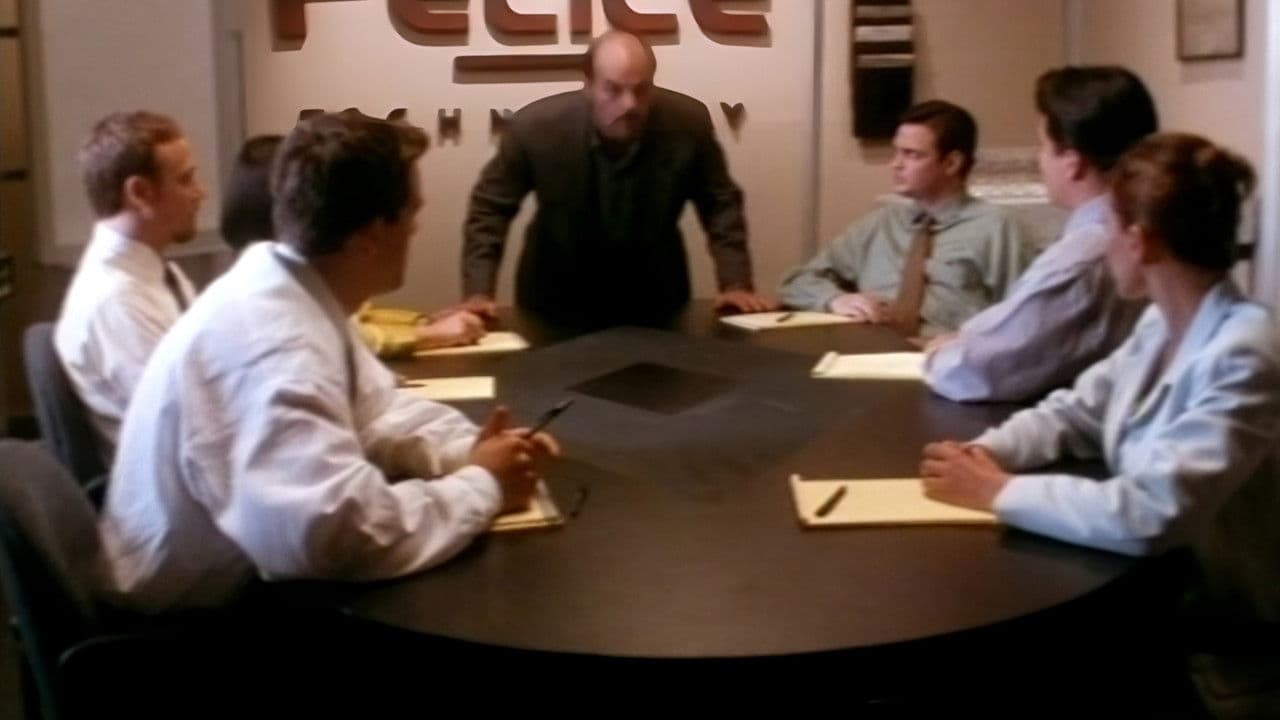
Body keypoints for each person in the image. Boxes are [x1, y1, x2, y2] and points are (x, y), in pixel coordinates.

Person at [99, 110, 558, 613]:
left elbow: (377, 411)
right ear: (369, 237)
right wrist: (483, 485)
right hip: (195, 622)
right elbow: (335, 535)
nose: (416, 227)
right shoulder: (274, 345)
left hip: (235, 572)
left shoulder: (290, 290)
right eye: (411, 213)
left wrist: (468, 449)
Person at [921, 133, 1280, 716]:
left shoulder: (1245, 350)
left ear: (1140, 242)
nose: (1101, 243)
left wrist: (998, 491)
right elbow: (1076, 413)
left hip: (1220, 654)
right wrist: (984, 452)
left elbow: (1151, 512)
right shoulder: (1161, 325)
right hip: (1155, 603)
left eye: (1109, 227)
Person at [461, 30, 772, 329]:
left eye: (641, 89)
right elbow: (490, 207)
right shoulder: (536, 128)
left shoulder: (688, 123)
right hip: (555, 296)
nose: (629, 104)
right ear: (588, 86)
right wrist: (478, 293)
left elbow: (720, 203)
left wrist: (735, 284)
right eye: (613, 89)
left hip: (656, 295)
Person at [925, 67, 1156, 401]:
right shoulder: (1138, 228)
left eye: (1043, 146)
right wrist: (967, 339)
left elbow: (980, 370)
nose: (1040, 160)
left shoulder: (1085, 255)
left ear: (1072, 162)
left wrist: (938, 355)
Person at [779, 100, 1035, 339]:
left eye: (912, 154)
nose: (896, 164)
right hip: (869, 353)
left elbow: (1028, 321)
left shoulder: (996, 227)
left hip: (947, 357)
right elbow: (796, 282)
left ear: (951, 163)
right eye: (896, 152)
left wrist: (968, 342)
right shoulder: (882, 222)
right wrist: (835, 299)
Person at [220, 133, 484, 358]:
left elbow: (357, 321)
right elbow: (355, 337)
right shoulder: (278, 320)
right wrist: (429, 334)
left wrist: (420, 321)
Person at [54, 110, 205, 459]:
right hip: (176, 480)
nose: (200, 193)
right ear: (139, 193)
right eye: (185, 180)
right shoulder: (116, 302)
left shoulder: (156, 273)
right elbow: (188, 428)